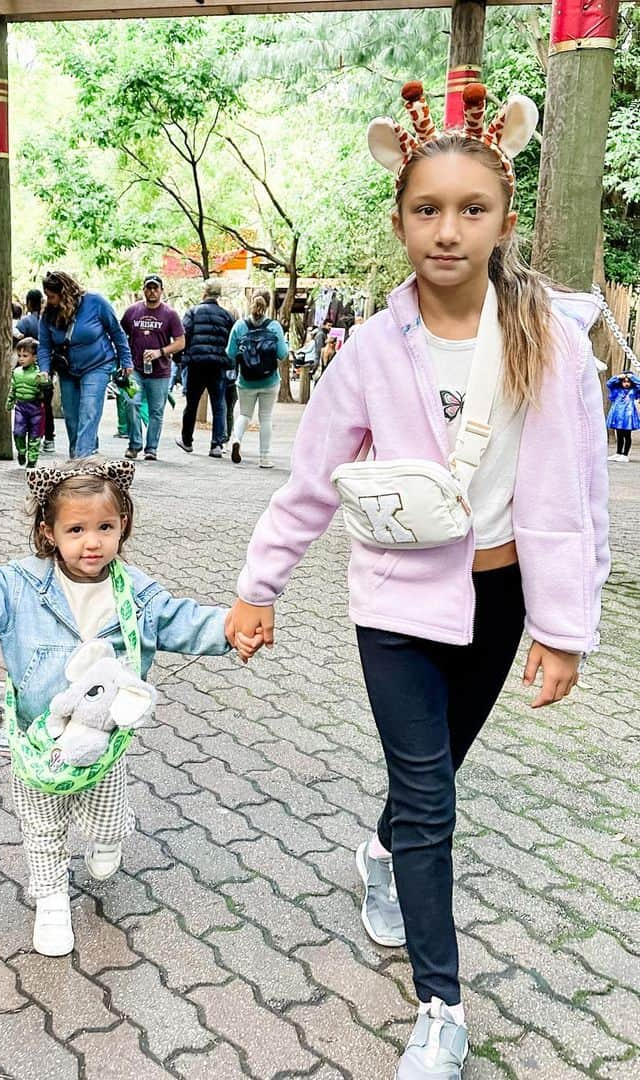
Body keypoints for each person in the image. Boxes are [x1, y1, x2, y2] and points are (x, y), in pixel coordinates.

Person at [228, 82, 608, 1080]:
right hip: (396, 604)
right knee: (432, 796)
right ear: (398, 219)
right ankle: (441, 1005)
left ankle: (384, 853)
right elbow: (310, 486)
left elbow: (578, 495)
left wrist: (566, 627)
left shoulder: (552, 343)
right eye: (426, 209)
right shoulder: (366, 353)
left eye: (469, 209)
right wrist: (256, 589)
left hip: (502, 598)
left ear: (503, 218)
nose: (447, 230)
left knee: (431, 782)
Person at [0, 459, 231, 955]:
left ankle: (109, 838)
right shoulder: (21, 586)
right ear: (49, 533)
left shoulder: (135, 592)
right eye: (76, 529)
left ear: (123, 527)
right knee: (43, 828)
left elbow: (183, 620)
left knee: (108, 818)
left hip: (104, 743)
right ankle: (51, 899)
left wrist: (231, 629)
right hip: (39, 741)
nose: (91, 543)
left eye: (105, 528)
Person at [37, 271, 131, 458]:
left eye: (52, 296)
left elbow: (117, 332)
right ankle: (81, 453)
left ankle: (82, 459)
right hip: (68, 369)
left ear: (65, 293)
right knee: (72, 417)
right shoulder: (48, 314)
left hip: (98, 364)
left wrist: (126, 360)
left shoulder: (96, 302)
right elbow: (44, 346)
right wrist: (45, 370)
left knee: (89, 410)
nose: (50, 300)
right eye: (47, 296)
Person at [120, 274, 185, 461]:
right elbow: (119, 335)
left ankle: (151, 448)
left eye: (155, 288)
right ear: (143, 290)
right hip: (134, 369)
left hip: (160, 371)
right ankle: (134, 444)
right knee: (131, 403)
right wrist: (123, 360)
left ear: (161, 290)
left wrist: (160, 352)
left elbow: (181, 342)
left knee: (156, 411)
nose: (152, 291)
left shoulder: (170, 314)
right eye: (148, 288)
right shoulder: (132, 311)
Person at [226, 293, 288, 469]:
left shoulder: (239, 325)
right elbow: (282, 354)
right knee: (265, 417)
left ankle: (236, 439)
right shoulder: (274, 327)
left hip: (246, 381)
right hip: (269, 381)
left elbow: (230, 353)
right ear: (268, 305)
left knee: (245, 414)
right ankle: (264, 458)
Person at [176, 279, 235, 458]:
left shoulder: (193, 312)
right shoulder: (227, 316)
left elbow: (184, 335)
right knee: (219, 405)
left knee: (191, 403)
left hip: (196, 364)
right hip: (217, 366)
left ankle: (187, 440)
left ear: (204, 293)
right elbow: (231, 342)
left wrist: (180, 359)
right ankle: (216, 444)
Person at [15, 288, 55, 453]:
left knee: (27, 404)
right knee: (46, 404)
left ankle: (31, 437)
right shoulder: (49, 320)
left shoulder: (26, 321)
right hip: (47, 369)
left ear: (29, 303)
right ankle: (49, 438)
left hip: (28, 373)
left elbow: (15, 334)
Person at [6, 337, 48, 467]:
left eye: (25, 355)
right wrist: (10, 401)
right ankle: (21, 451)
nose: (21, 359)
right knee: (18, 432)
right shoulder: (17, 372)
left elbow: (47, 388)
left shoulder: (39, 374)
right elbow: (13, 388)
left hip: (36, 408)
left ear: (35, 357)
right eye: (19, 355)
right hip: (21, 407)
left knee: (35, 436)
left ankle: (32, 459)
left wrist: (45, 383)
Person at [606, 371, 639, 462]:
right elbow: (609, 383)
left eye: (628, 382)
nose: (626, 384)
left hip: (627, 415)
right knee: (619, 435)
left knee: (626, 435)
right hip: (617, 414)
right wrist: (618, 377)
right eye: (624, 381)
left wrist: (632, 377)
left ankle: (625, 455)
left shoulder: (633, 390)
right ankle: (618, 453)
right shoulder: (617, 389)